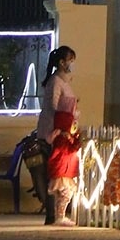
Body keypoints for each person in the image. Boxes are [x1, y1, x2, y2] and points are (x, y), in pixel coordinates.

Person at [37, 46, 79, 224]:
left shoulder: (64, 82)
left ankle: (57, 214)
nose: (72, 64)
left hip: (64, 131)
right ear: (62, 62)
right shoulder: (55, 82)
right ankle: (54, 215)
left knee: (61, 174)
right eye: (70, 61)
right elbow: (53, 107)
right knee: (57, 175)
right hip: (54, 132)